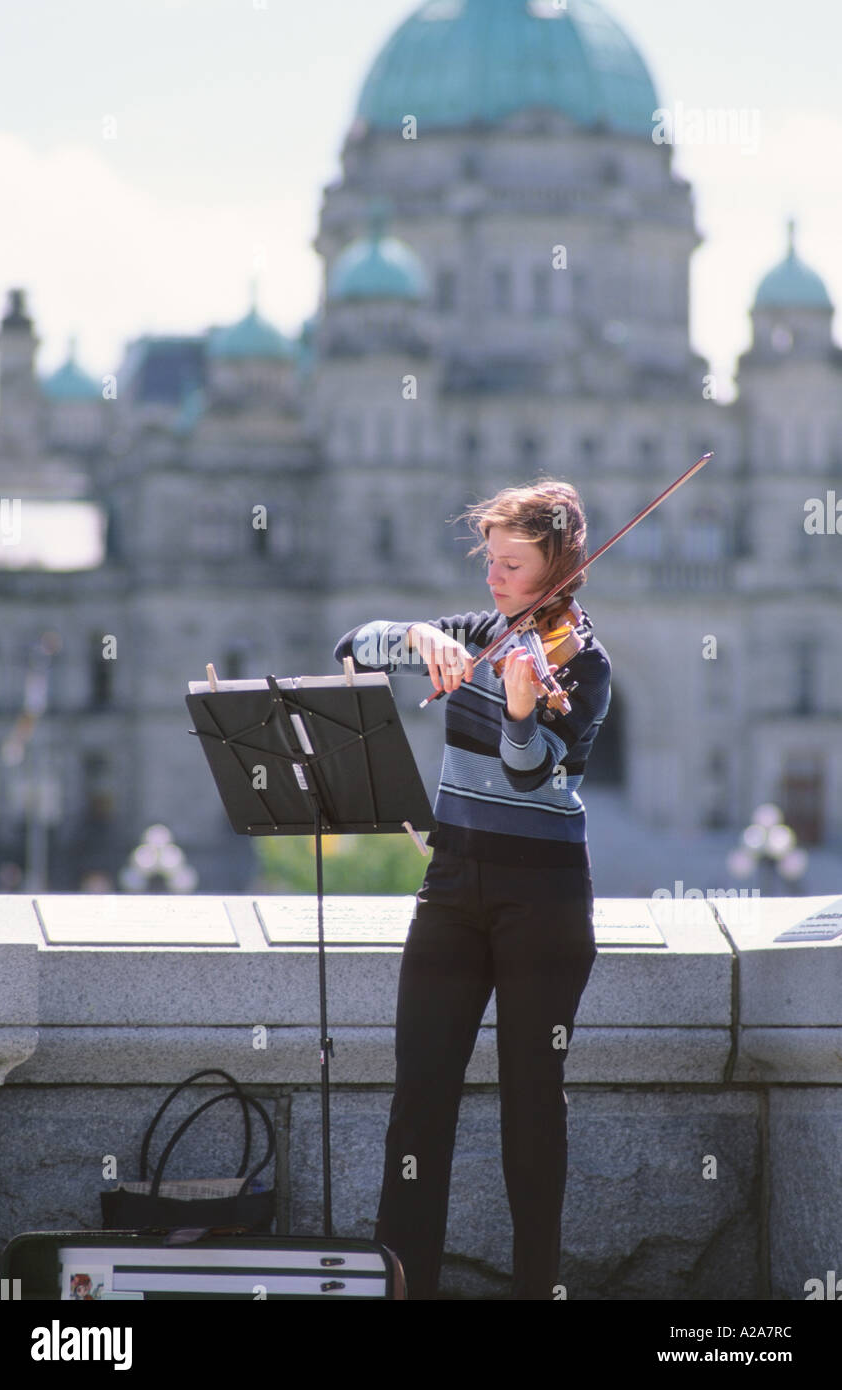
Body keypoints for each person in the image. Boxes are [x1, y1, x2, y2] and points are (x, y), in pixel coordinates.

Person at [332, 478, 612, 1300]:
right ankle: (403, 1285)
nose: (493, 580)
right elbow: (351, 647)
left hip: (544, 897)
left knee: (533, 1101)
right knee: (418, 1097)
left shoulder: (582, 666)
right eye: (488, 561)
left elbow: (530, 778)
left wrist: (521, 715)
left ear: (556, 569)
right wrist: (418, 635)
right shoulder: (475, 631)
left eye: (512, 565)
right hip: (452, 882)